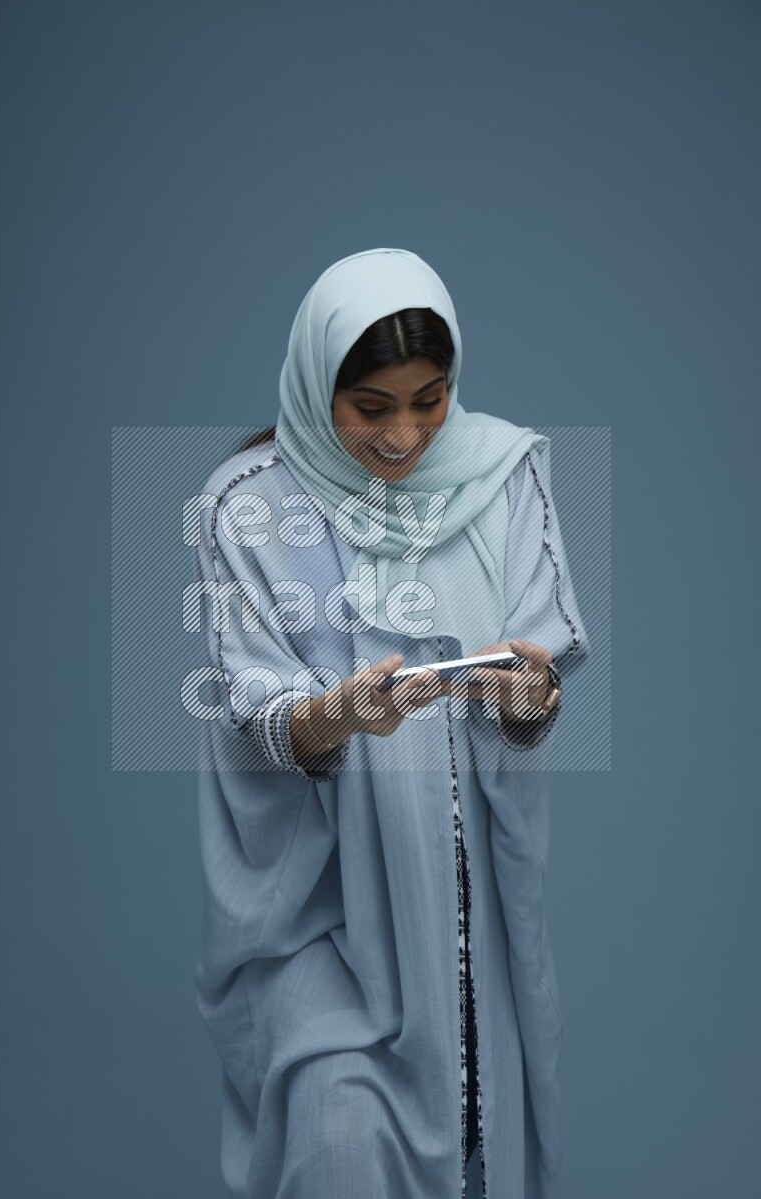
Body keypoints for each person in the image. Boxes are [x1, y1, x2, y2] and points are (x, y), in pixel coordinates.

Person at [193, 248, 590, 1199]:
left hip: (462, 917)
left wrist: (531, 697)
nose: (404, 434)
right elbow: (254, 705)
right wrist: (341, 716)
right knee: (340, 1140)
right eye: (371, 407)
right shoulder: (245, 509)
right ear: (317, 383)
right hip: (321, 925)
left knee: (469, 1141)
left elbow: (539, 686)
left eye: (430, 399)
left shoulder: (502, 476)